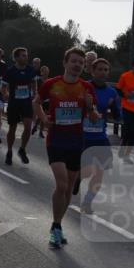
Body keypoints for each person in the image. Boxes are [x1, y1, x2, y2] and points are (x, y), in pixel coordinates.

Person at [34, 46, 98, 249]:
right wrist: (44, 119)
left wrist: (90, 107)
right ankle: (55, 226)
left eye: (81, 62)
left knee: (69, 187)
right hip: (56, 141)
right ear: (65, 63)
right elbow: (36, 102)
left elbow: (94, 118)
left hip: (76, 142)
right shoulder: (52, 84)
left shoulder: (86, 88)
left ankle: (58, 225)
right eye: (74, 61)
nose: (77, 65)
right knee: (61, 185)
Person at [74, 57, 122, 213]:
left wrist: (113, 107)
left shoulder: (111, 92)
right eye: (100, 69)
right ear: (92, 71)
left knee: (99, 173)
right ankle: (77, 177)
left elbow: (118, 115)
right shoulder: (83, 87)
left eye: (106, 70)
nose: (103, 72)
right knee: (88, 171)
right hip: (83, 136)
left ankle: (87, 203)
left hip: (100, 138)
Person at [2, 47, 37, 166]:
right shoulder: (10, 71)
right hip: (14, 103)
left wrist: (35, 93)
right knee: (12, 128)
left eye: (26, 55)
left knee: (28, 127)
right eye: (23, 55)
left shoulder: (30, 70)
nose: (26, 57)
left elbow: (34, 82)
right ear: (16, 58)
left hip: (26, 102)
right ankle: (9, 151)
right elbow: (3, 87)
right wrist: (6, 95)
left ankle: (22, 149)